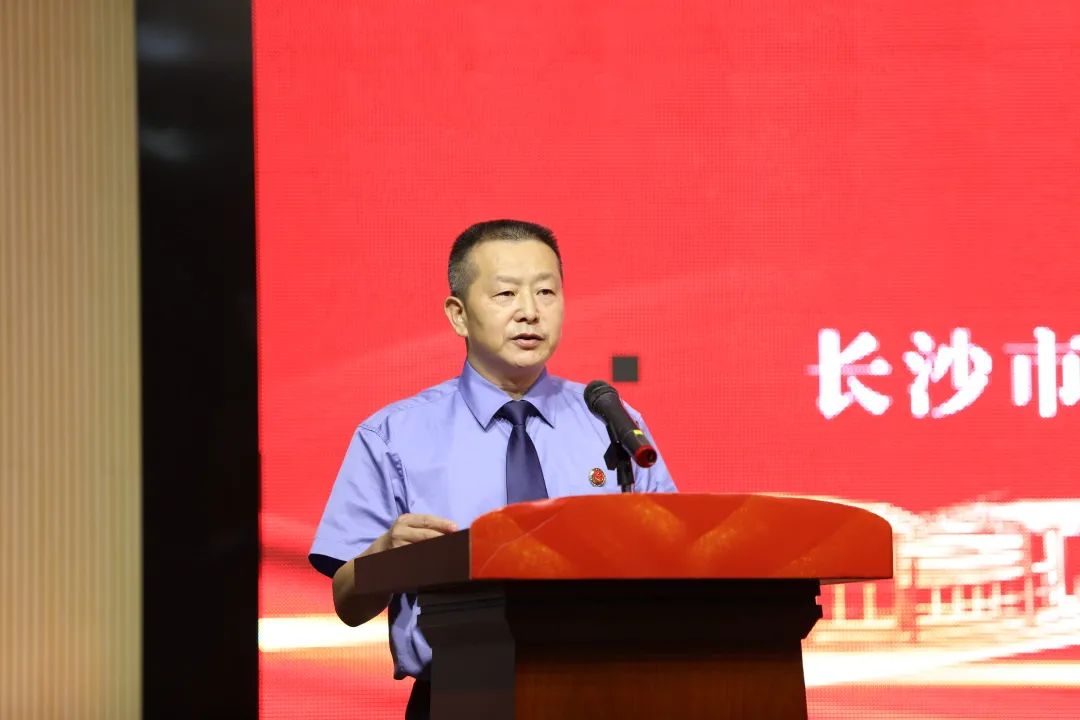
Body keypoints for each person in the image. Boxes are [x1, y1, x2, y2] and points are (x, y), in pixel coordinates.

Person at [308, 219, 677, 719]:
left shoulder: (611, 423)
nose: (530, 311)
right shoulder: (394, 435)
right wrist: (385, 556)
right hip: (458, 697)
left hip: (602, 693)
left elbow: (675, 561)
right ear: (458, 315)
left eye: (546, 292)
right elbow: (347, 606)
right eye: (506, 293)